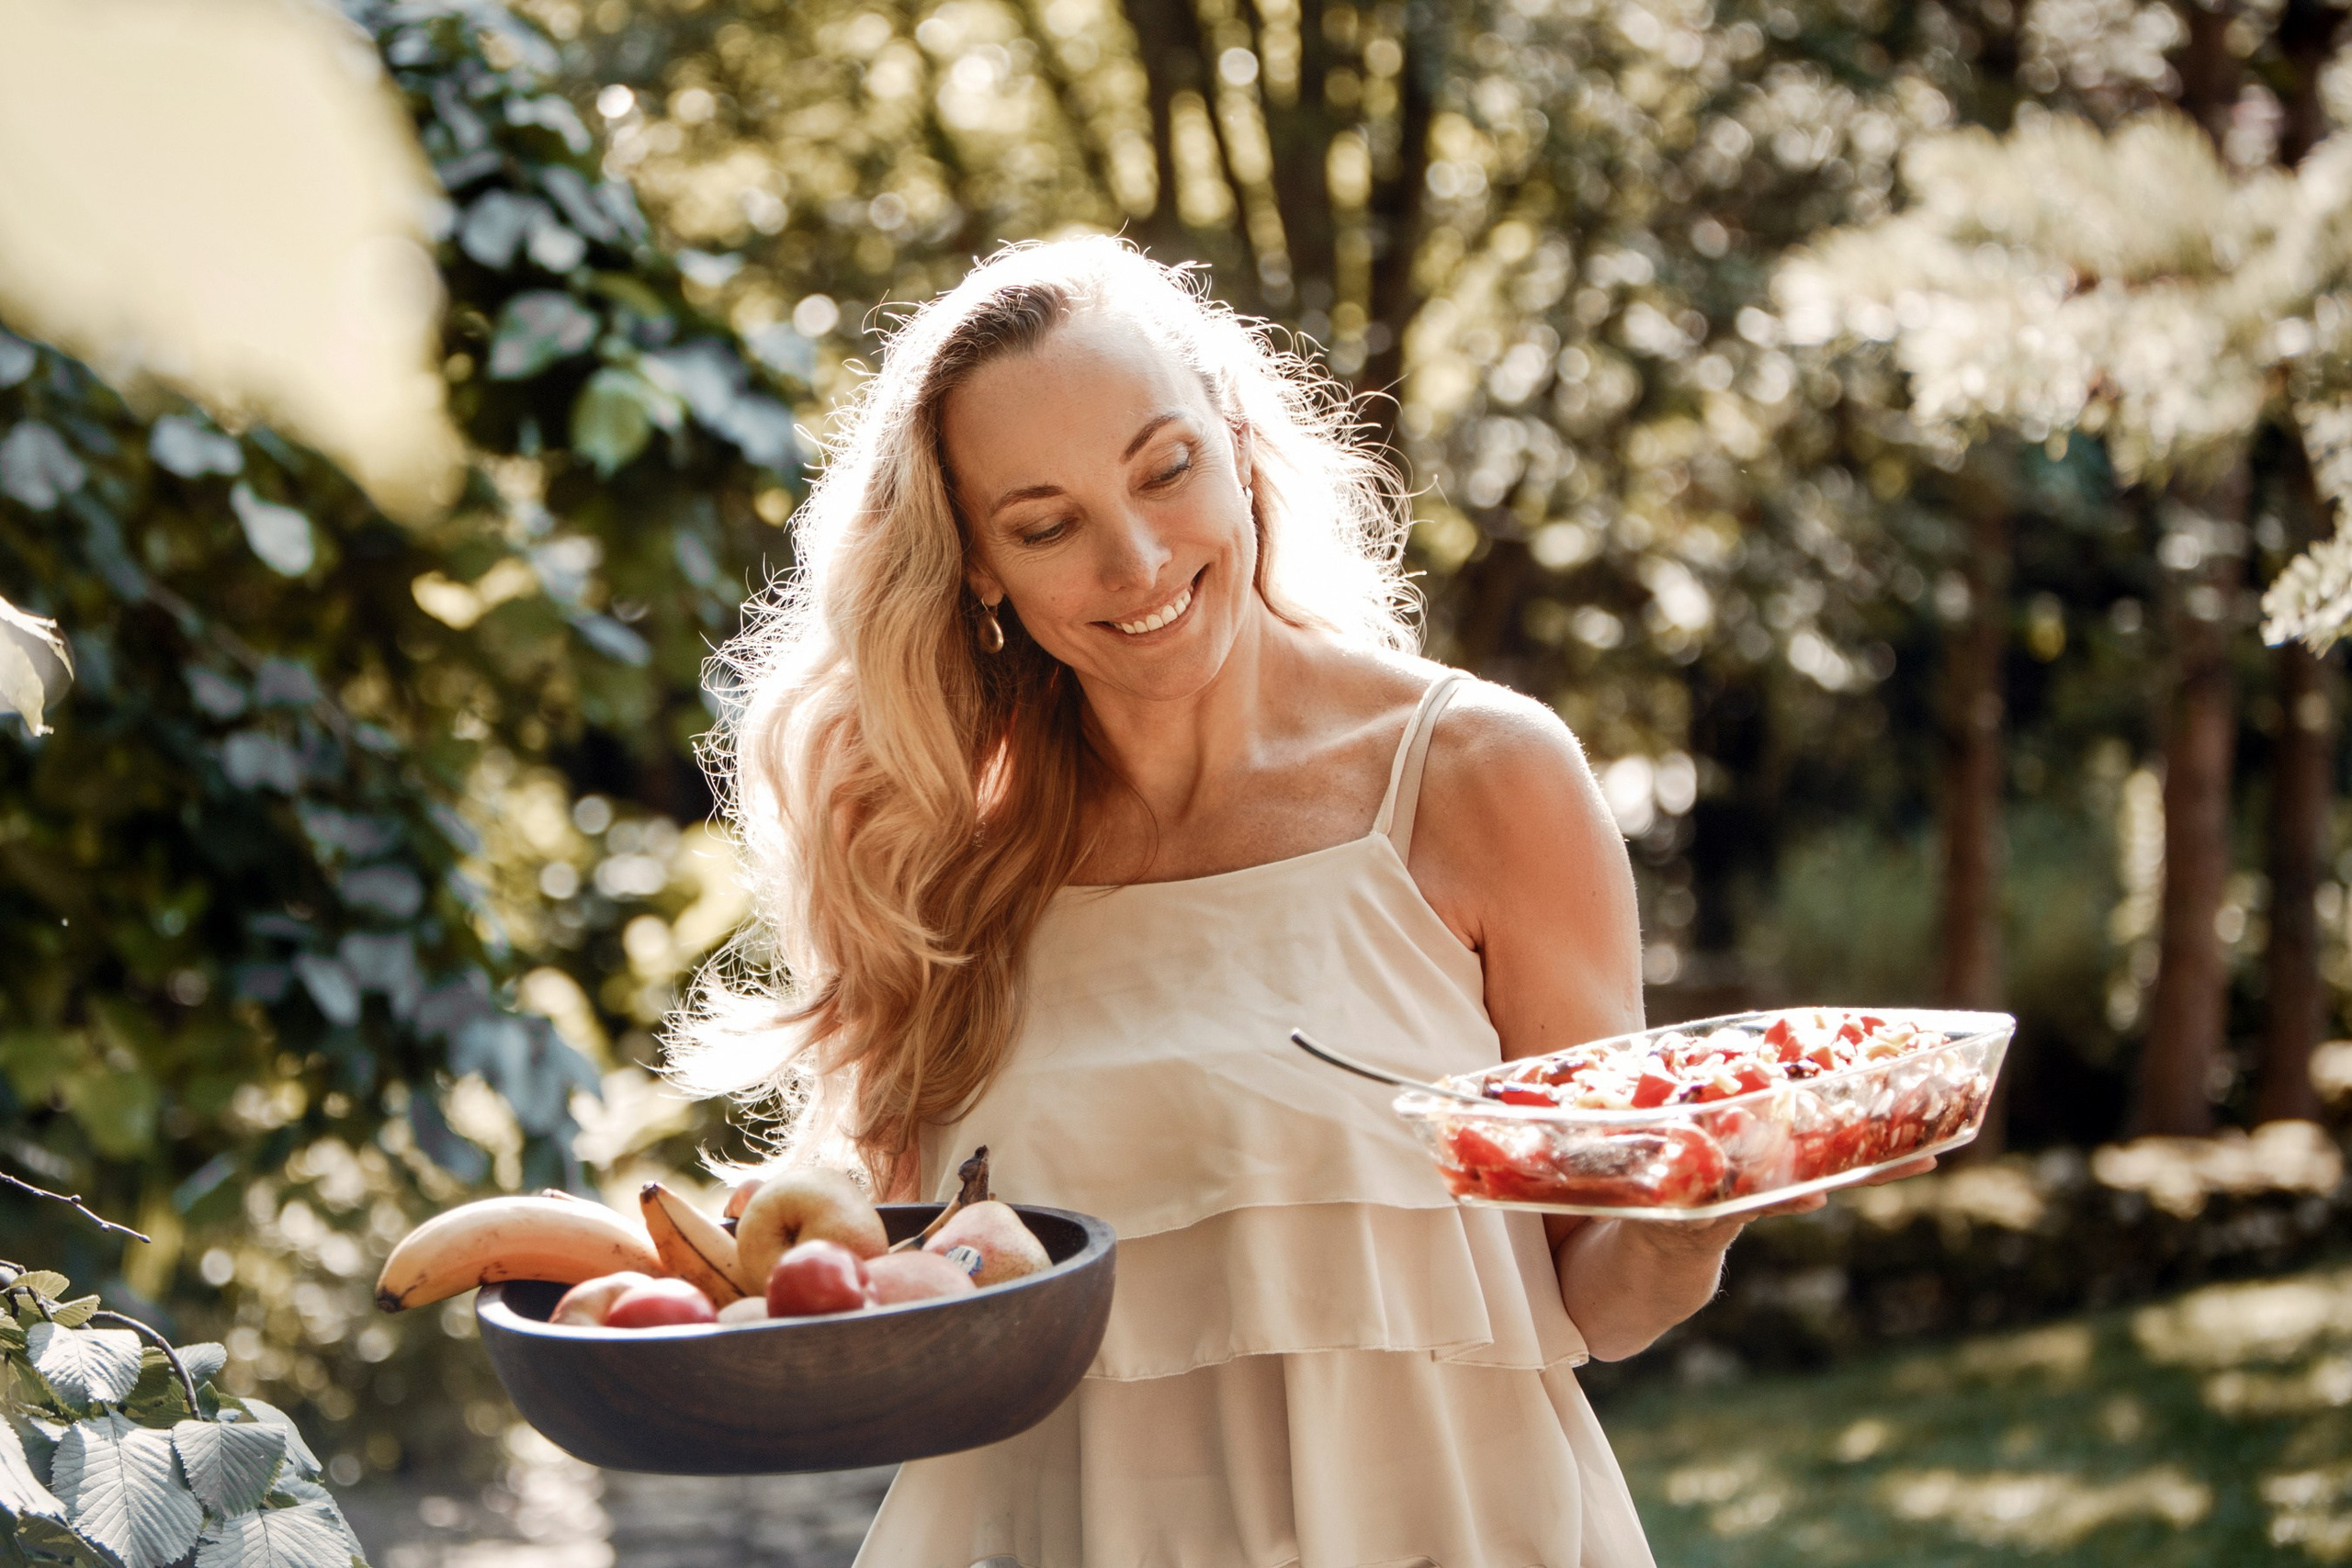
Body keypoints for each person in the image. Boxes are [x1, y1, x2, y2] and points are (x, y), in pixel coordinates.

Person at [671, 236, 1919, 1567]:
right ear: (978, 565)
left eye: (1167, 469)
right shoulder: (944, 867)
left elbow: (1593, 1293)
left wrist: (1695, 1220)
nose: (1138, 559)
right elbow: (928, 1303)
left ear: (1240, 441)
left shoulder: (1481, 781)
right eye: (1046, 525)